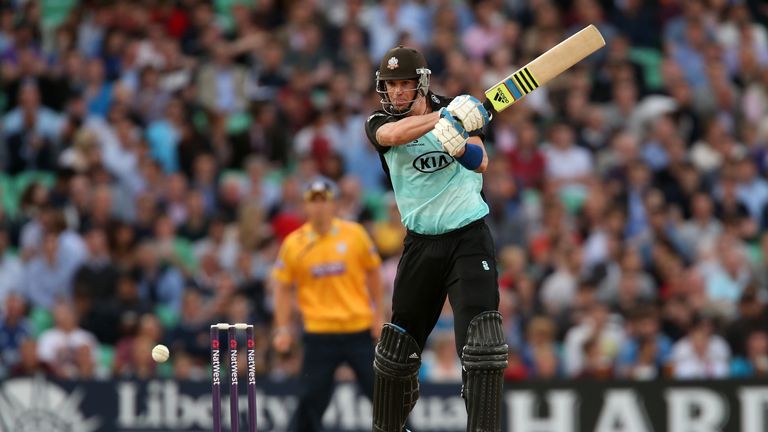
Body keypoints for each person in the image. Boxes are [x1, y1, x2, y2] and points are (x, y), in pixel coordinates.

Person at [364, 45, 507, 431]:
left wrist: (459, 142)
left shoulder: (459, 110)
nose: (396, 93)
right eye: (390, 85)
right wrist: (441, 120)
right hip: (420, 243)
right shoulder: (380, 121)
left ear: (421, 83)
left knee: (482, 345)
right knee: (396, 351)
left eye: (404, 84)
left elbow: (482, 161)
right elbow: (392, 135)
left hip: (468, 239)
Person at [271, 177, 385, 432]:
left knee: (382, 396)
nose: (319, 207)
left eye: (324, 201)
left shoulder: (354, 234)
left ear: (333, 204)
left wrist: (378, 316)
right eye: (313, 201)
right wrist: (282, 328)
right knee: (311, 399)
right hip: (319, 332)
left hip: (359, 329)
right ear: (305, 206)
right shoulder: (294, 243)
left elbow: (375, 273)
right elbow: (281, 286)